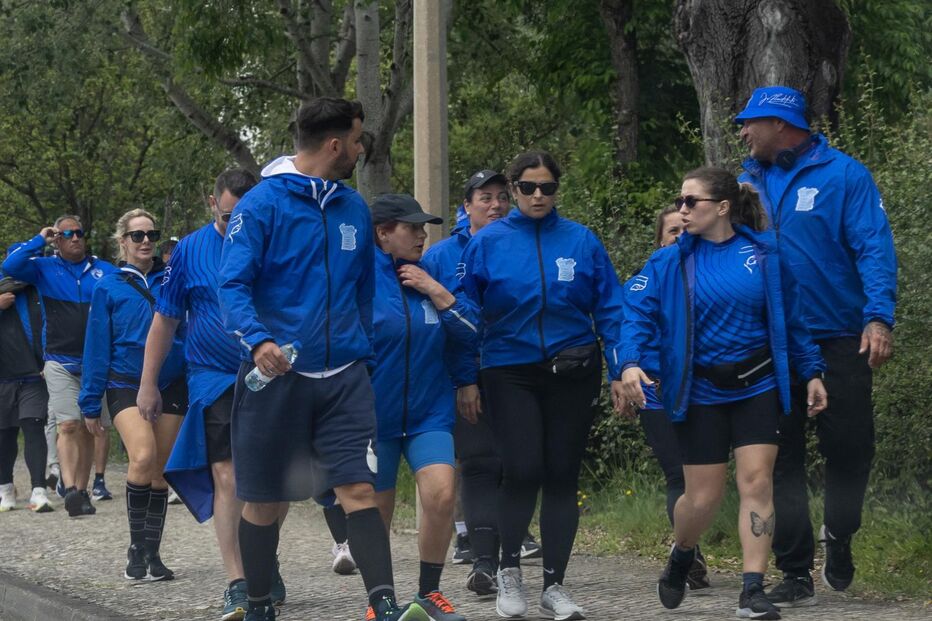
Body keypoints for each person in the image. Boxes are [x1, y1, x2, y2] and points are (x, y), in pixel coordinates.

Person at [217, 97, 429, 621]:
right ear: (336, 145)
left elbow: (361, 290)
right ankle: (260, 604)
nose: (360, 150)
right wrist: (260, 341)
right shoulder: (262, 204)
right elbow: (232, 285)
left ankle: (383, 604)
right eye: (357, 141)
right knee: (267, 501)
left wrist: (362, 348)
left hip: (344, 379)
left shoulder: (354, 206)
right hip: (277, 377)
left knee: (358, 488)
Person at [618, 166, 828, 620]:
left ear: (724, 208)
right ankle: (681, 552)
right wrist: (630, 362)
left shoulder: (765, 254)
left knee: (757, 482)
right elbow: (635, 315)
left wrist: (812, 371)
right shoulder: (669, 260)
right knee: (702, 499)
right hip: (699, 391)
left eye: (692, 201)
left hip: (759, 384)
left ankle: (752, 590)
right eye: (680, 201)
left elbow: (793, 318)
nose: (682, 209)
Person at [735, 85, 898, 605]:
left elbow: (874, 246)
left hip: (838, 337)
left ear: (780, 124)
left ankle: (841, 533)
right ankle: (796, 569)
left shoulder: (844, 175)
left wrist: (878, 317)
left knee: (849, 449)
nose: (742, 132)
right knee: (778, 457)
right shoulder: (744, 181)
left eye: (749, 123)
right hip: (772, 345)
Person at [460, 151, 626, 620]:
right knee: (524, 467)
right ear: (513, 190)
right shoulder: (488, 242)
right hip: (508, 368)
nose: (538, 196)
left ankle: (555, 584)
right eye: (529, 188)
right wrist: (464, 379)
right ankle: (508, 571)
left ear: (557, 190)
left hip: (573, 367)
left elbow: (611, 309)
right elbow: (465, 317)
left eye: (547, 188)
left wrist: (620, 368)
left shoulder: (581, 241)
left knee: (561, 474)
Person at [137, 169, 283, 620]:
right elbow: (165, 320)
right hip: (213, 377)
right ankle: (238, 582)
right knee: (229, 477)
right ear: (210, 203)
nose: (236, 223)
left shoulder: (274, 240)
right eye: (228, 215)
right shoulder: (189, 252)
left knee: (271, 482)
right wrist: (148, 383)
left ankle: (263, 560)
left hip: (269, 374)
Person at [421, 169, 539, 596]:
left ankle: (510, 544)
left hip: (517, 370)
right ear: (466, 205)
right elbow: (435, 325)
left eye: (501, 197)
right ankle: (483, 559)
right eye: (484, 198)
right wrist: (461, 380)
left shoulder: (523, 243)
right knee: (478, 463)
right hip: (463, 375)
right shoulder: (439, 257)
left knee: (519, 463)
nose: (495, 205)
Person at [364, 193, 478, 621]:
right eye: (411, 227)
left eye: (423, 227)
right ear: (383, 233)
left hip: (430, 411)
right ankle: (382, 601)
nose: (421, 234)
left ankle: (429, 595)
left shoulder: (430, 276)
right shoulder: (361, 283)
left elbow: (469, 335)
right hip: (376, 416)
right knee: (377, 511)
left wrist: (437, 291)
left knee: (442, 494)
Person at [78, 209, 186, 580]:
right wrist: (90, 402)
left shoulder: (171, 279)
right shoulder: (108, 286)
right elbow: (96, 347)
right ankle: (136, 548)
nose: (145, 242)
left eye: (151, 235)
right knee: (142, 456)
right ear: (122, 241)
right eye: (137, 236)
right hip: (124, 383)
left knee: (160, 472)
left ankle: (152, 555)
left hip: (171, 384)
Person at [2, 215, 117, 517]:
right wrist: (40, 239)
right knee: (68, 424)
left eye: (79, 232)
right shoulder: (44, 269)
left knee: (91, 428)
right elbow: (10, 266)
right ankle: (72, 489)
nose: (75, 237)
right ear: (58, 238)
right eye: (67, 233)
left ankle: (81, 487)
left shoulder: (103, 270)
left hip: (96, 363)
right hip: (59, 360)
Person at [621, 205, 710, 592]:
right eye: (671, 230)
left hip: (706, 390)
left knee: (704, 477)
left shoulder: (711, 274)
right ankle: (690, 553)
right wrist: (622, 375)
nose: (678, 234)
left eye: (683, 228)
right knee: (678, 474)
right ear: (660, 239)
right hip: (657, 390)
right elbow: (627, 331)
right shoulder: (646, 280)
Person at [0, 246, 52, 514]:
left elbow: (51, 325)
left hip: (33, 374)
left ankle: (38, 489)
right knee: (5, 435)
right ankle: (5, 487)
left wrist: (47, 360)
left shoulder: (40, 288)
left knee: (33, 427)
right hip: (3, 376)